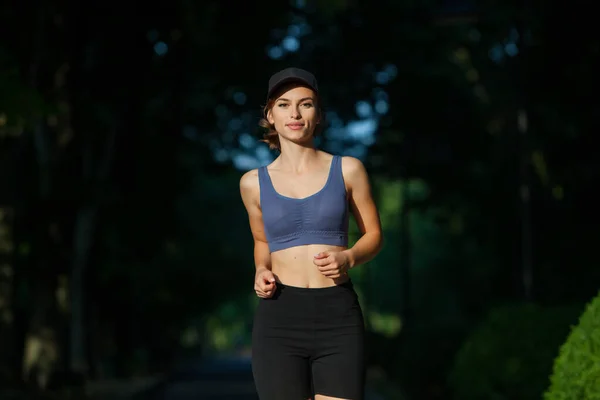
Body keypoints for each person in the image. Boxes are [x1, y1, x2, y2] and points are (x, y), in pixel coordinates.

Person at [239, 67, 383, 400]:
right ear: (270, 116)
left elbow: (373, 234)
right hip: (279, 316)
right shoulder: (252, 183)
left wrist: (349, 256)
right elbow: (262, 241)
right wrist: (261, 270)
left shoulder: (348, 169)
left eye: (306, 104)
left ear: (318, 115)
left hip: (337, 314)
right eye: (284, 104)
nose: (295, 113)